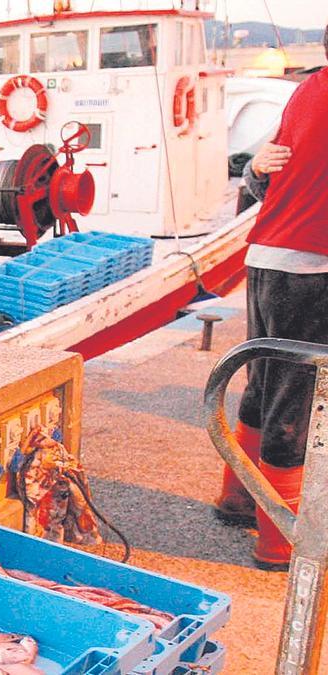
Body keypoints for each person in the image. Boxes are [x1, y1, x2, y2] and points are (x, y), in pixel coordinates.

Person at [215, 30, 328, 570]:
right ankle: (279, 544)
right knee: (293, 405)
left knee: (264, 386)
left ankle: (237, 499)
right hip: (311, 267)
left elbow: (264, 177)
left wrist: (254, 168)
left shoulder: (308, 90)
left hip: (267, 258)